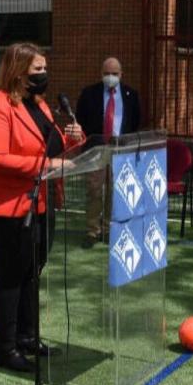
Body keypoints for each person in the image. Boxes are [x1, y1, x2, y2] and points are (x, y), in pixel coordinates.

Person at [0, 43, 84, 372]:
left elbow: (53, 148)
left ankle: (27, 337)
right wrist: (46, 164)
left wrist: (75, 140)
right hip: (11, 208)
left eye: (44, 69)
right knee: (11, 276)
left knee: (32, 274)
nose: (44, 75)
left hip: (44, 202)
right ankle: (5, 348)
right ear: (18, 70)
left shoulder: (41, 105)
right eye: (38, 69)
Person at [75, 57, 141, 247]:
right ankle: (92, 231)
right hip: (96, 148)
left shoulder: (131, 95)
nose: (110, 77)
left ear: (121, 75)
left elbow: (135, 121)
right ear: (101, 74)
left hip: (120, 149)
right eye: (106, 73)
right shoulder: (89, 93)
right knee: (94, 190)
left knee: (114, 191)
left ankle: (108, 229)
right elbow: (81, 119)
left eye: (114, 73)